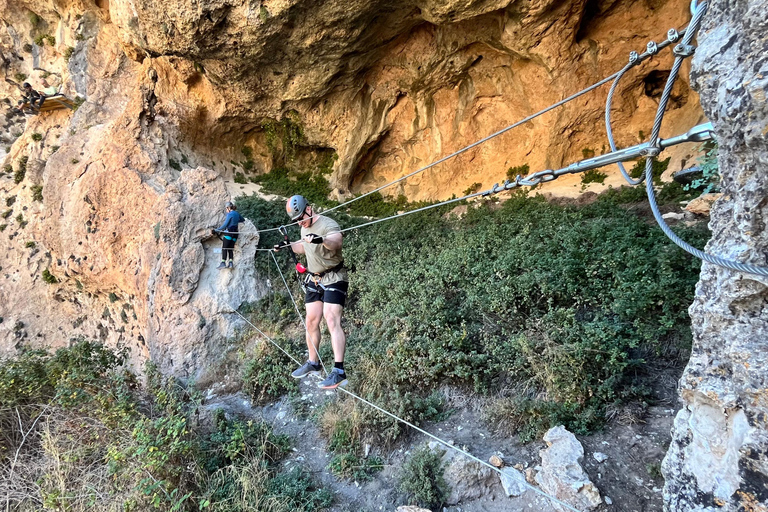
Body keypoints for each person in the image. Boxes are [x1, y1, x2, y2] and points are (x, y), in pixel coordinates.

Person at [275, 194, 349, 390]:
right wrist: (286, 246)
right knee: (311, 320)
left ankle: (339, 371)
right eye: (296, 220)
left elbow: (336, 241)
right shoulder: (303, 227)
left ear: (309, 209)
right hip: (314, 279)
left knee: (331, 318)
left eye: (301, 218)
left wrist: (321, 239)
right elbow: (303, 247)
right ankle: (313, 362)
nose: (300, 222)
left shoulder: (327, 223)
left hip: (334, 277)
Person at [213, 201, 244, 269]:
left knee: (224, 248)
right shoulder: (237, 213)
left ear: (228, 208)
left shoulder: (230, 214)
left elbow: (225, 225)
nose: (226, 210)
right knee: (230, 248)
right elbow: (242, 220)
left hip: (229, 233)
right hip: (235, 234)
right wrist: (235, 221)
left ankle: (223, 263)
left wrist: (216, 230)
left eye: (226, 209)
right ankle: (230, 263)